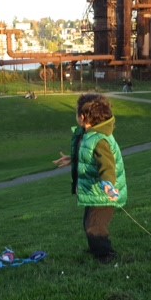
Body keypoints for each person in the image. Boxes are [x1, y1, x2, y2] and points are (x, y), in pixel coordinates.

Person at [53, 93, 127, 264]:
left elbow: (107, 164)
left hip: (105, 193)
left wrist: (108, 184)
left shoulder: (100, 140)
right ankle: (96, 248)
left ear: (83, 117)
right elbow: (88, 155)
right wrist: (73, 159)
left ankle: (106, 255)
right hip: (96, 191)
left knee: (95, 226)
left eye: (76, 113)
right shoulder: (89, 134)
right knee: (88, 222)